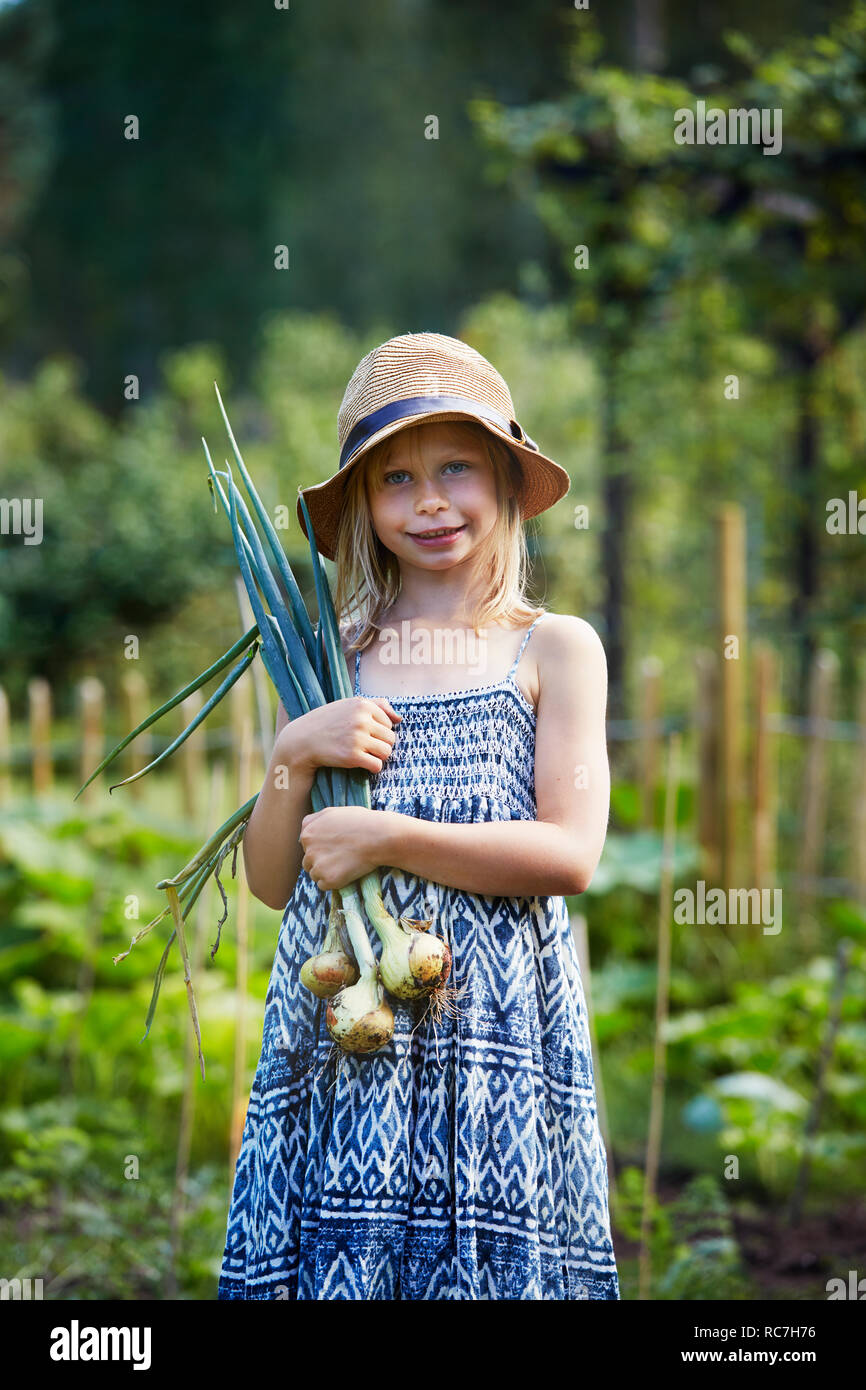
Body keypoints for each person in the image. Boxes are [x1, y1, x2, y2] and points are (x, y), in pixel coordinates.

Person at [217, 331, 620, 1300]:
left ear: (507, 485)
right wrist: (290, 752)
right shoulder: (332, 657)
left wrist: (388, 837)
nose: (428, 500)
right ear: (362, 504)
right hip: (347, 1031)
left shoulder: (552, 649)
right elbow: (274, 880)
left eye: (454, 469)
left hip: (489, 1036)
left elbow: (568, 855)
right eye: (393, 479)